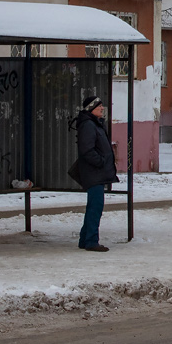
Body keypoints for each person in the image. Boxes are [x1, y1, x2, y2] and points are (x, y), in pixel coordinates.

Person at [75, 95, 118, 252]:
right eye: (99, 106)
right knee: (96, 206)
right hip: (93, 172)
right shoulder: (88, 125)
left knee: (94, 206)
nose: (102, 108)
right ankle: (91, 241)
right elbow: (87, 149)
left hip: (96, 172)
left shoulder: (95, 124)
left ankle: (85, 239)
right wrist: (100, 162)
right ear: (91, 109)